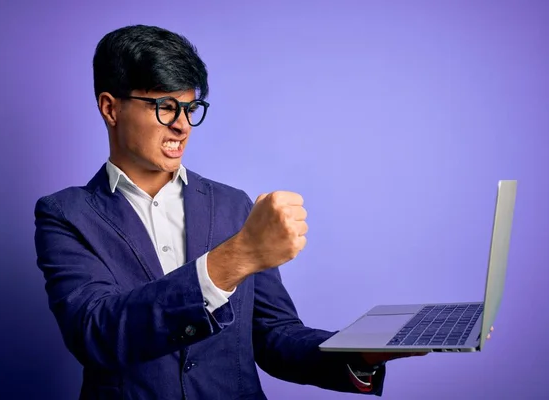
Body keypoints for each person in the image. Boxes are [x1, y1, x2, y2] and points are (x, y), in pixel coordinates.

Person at [33, 25, 447, 399]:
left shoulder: (233, 205)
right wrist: (239, 256)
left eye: (190, 108)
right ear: (110, 108)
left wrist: (362, 351)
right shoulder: (65, 215)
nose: (183, 126)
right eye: (165, 106)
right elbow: (98, 334)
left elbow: (275, 338)